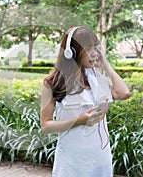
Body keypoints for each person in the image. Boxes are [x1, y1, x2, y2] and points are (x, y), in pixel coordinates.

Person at [40, 26, 131, 177]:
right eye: (89, 49)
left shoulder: (96, 78)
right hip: (72, 163)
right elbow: (46, 126)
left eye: (96, 48)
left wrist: (106, 65)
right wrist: (79, 121)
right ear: (72, 51)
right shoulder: (53, 83)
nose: (95, 54)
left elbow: (124, 93)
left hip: (100, 158)